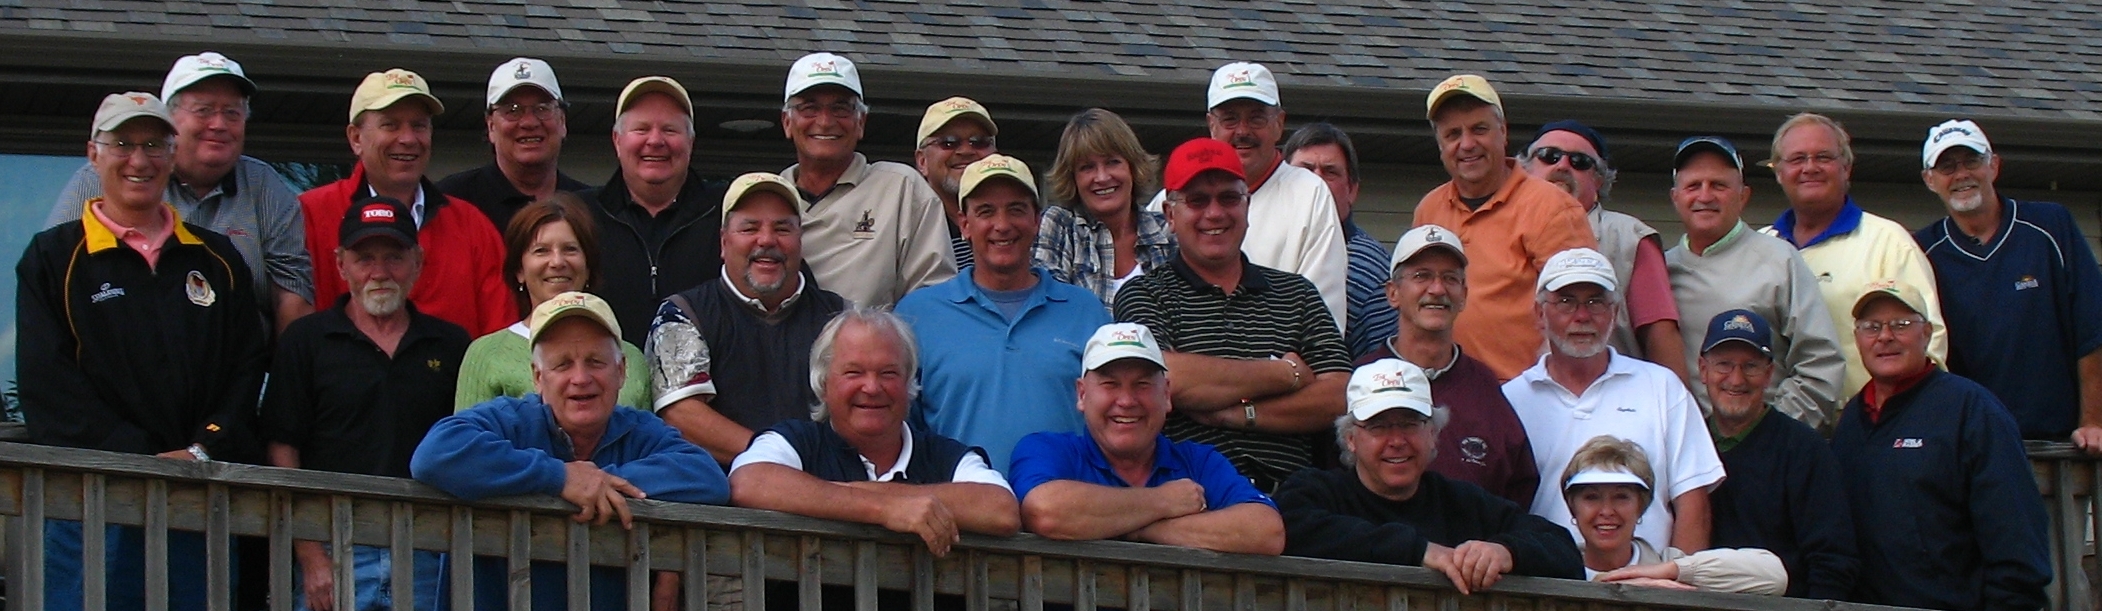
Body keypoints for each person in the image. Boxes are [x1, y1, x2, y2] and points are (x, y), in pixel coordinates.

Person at [18, 92, 269, 611]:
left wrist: (203, 448)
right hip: (91, 502)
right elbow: (47, 384)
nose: (140, 159)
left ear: (173, 156)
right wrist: (141, 459)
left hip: (199, 498)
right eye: (123, 144)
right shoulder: (53, 257)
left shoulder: (217, 257)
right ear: (93, 154)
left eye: (154, 144)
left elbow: (247, 369)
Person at [412, 292, 728, 611]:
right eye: (563, 364)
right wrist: (559, 477)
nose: (580, 378)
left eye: (595, 362)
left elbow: (707, 479)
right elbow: (434, 455)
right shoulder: (509, 419)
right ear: (538, 378)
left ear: (621, 371)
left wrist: (599, 482)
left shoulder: (640, 430)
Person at [260, 197, 464, 611]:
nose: (379, 272)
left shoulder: (452, 344)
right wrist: (310, 555)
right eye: (364, 258)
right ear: (340, 265)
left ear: (418, 262)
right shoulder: (306, 341)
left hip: (427, 550)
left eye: (394, 257)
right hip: (333, 547)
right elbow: (282, 449)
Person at [1114, 138, 1351, 493]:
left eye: (1228, 198)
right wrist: (1286, 373)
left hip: (1291, 500)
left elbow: (1340, 395)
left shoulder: (1297, 293)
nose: (1214, 213)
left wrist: (1240, 415)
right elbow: (1164, 378)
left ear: (1247, 206)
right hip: (1189, 498)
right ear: (1170, 215)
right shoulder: (1144, 294)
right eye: (1197, 200)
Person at [45, 51, 313, 333]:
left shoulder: (264, 185)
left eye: (232, 113)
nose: (219, 124)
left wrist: (291, 361)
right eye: (204, 110)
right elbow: (57, 273)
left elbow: (292, 292)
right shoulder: (107, 177)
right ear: (168, 120)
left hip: (241, 355)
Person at [1829, 279, 2050, 610]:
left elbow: (2015, 534)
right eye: (1871, 327)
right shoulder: (1851, 420)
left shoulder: (1972, 410)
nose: (1885, 336)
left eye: (1901, 325)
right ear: (1857, 338)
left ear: (1927, 334)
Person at [1275, 359, 1581, 594]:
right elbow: (1288, 530)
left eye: (1410, 424)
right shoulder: (1316, 492)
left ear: (1433, 434)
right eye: (1379, 426)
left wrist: (1505, 552)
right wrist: (1420, 551)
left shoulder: (1464, 502)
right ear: (1351, 439)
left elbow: (1562, 549)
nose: (1397, 440)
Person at [729, 306, 1020, 550]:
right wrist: (885, 509)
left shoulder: (945, 455)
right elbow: (749, 483)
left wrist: (836, 495)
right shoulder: (796, 441)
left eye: (888, 373)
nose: (871, 387)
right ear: (823, 383)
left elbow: (1000, 509)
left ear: (909, 383)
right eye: (854, 372)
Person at [897, 155, 1110, 472]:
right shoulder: (917, 315)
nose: (1002, 225)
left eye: (1016, 209)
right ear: (964, 224)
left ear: (1036, 220)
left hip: (1067, 498)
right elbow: (900, 429)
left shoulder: (1086, 311)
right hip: (958, 499)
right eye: (986, 211)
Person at [1504, 248, 1722, 552]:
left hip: (1645, 576)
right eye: (1566, 302)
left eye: (1595, 302)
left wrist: (1677, 576)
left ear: (1615, 312)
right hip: (1542, 577)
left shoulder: (1662, 387)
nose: (1582, 316)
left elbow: (1693, 503)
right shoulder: (1510, 400)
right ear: (1540, 314)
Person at [1008, 323, 1284, 554]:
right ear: (1082, 394)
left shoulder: (1200, 461)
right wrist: (1164, 502)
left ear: (1166, 395)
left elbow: (1266, 532)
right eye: (1110, 384)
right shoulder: (1046, 449)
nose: (1127, 401)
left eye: (1142, 384)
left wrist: (1140, 528)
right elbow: (1045, 512)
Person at [1913, 119, 2102, 449]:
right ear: (1930, 180)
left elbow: (2093, 330)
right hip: (1972, 446)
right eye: (1947, 166)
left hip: (2062, 445)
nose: (1961, 174)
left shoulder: (2051, 227)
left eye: (1972, 161)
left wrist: (2093, 422)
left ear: (1994, 166)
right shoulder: (1922, 251)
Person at [650, 172, 848, 463]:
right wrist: (781, 460)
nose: (766, 240)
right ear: (723, 242)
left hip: (828, 484)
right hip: (723, 487)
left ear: (800, 240)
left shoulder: (842, 318)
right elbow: (682, 415)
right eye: (749, 228)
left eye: (782, 229)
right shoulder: (682, 314)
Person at [1411, 75, 1598, 380]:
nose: (1467, 144)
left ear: (1503, 131)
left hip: (1524, 391)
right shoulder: (1429, 209)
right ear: (1440, 145)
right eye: (1453, 134)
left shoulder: (1552, 207)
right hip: (1440, 387)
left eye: (1479, 129)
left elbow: (1579, 313)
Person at [300, 68, 512, 337]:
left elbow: (500, 340)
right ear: (355, 138)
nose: (408, 139)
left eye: (419, 125)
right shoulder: (310, 215)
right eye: (390, 125)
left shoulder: (472, 226)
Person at [1146, 62, 1348, 331]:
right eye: (1230, 119)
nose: (1242, 131)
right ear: (1211, 125)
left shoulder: (1310, 194)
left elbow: (1322, 320)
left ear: (1279, 123)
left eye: (1256, 118)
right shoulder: (1173, 197)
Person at [1665, 136, 1846, 429]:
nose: (1705, 196)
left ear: (1743, 196)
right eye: (1693, 186)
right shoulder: (1660, 270)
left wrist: (1768, 432)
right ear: (1675, 197)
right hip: (1682, 445)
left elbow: (1821, 364)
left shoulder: (1779, 260)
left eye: (1719, 185)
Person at [1762, 112, 1945, 399]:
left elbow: (1929, 342)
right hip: (1775, 422)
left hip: (1867, 422)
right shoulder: (1760, 247)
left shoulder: (1888, 243)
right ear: (1779, 172)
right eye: (1797, 159)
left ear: (1846, 167)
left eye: (1823, 157)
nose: (1810, 167)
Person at [1355, 225, 1537, 507]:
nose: (1437, 289)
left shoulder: (1484, 386)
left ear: (1463, 295)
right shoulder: (1360, 381)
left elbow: (1518, 487)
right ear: (1393, 293)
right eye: (1421, 276)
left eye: (1450, 278)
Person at [1693, 310, 1858, 599]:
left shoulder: (1804, 450)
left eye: (1751, 366)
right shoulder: (1688, 445)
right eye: (1724, 365)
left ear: (1769, 374)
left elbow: (1833, 559)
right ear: (1703, 370)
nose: (1736, 379)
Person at [779, 52, 956, 309]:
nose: (825, 122)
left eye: (841, 108)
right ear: (787, 122)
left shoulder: (901, 189)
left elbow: (933, 299)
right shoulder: (767, 197)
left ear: (860, 122)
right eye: (809, 108)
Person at [1519, 121, 1684, 381]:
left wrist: (1674, 399)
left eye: (1580, 162)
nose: (1563, 166)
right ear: (1525, 168)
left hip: (1609, 394)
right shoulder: (1493, 229)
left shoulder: (1630, 238)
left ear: (1598, 179)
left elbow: (1661, 338)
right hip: (1509, 393)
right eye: (1549, 156)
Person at [454, 193, 651, 411]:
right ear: (519, 270)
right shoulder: (487, 354)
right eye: (541, 251)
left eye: (570, 249)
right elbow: (469, 432)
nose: (557, 262)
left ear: (588, 266)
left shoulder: (630, 356)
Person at [580, 76, 724, 347]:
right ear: (617, 140)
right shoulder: (580, 217)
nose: (655, 141)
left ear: (691, 142)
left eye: (670, 130)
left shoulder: (728, 213)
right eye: (641, 129)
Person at [1565, 437, 1787, 594]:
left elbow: (1774, 577)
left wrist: (1666, 573)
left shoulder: (1671, 564)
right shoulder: (1557, 566)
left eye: (1621, 497)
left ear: (1641, 505)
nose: (1606, 511)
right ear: (1572, 506)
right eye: (1592, 497)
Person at [1033, 108, 1175, 310]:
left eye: (1112, 162)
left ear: (1133, 167)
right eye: (1087, 167)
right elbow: (1049, 310)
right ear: (1072, 177)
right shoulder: (1060, 227)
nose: (1102, 177)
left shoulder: (1167, 232)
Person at [1283, 122, 1399, 360]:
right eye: (1305, 170)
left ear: (1352, 191)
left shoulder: (1373, 270)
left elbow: (1382, 365)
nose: (1316, 182)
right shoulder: (1249, 241)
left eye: (1330, 172)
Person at [437, 57, 591, 230]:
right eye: (512, 110)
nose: (529, 122)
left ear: (562, 121)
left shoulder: (591, 208)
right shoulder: (449, 202)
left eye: (542, 108)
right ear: (491, 126)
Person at [914, 96, 998, 271]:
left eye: (979, 142)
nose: (966, 151)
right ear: (922, 161)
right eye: (949, 142)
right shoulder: (908, 227)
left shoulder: (1021, 223)